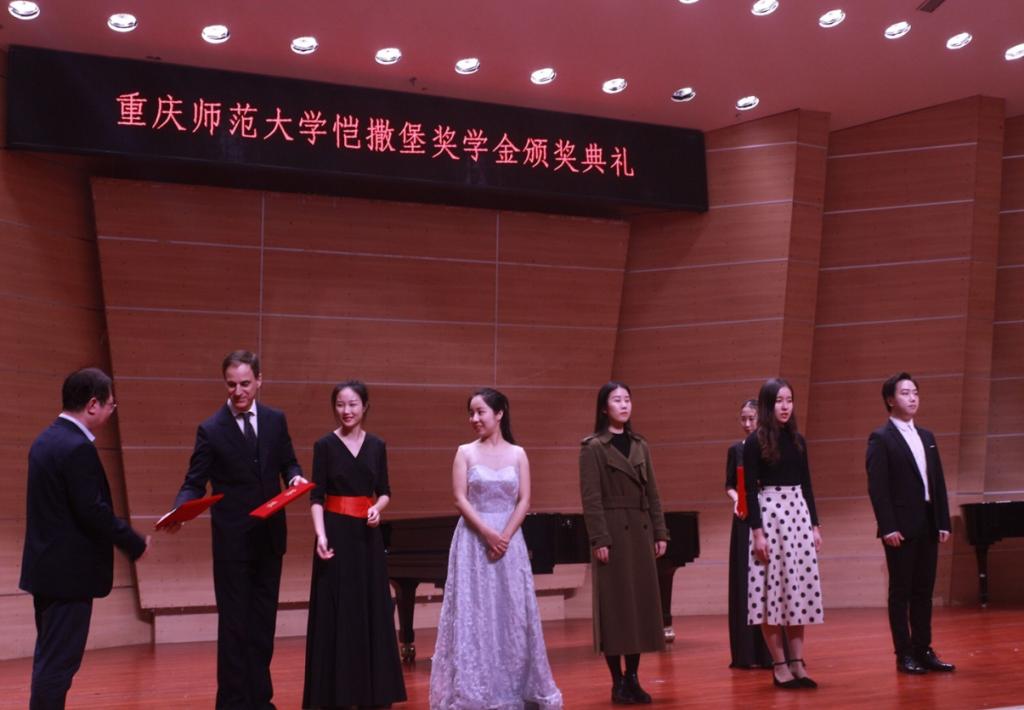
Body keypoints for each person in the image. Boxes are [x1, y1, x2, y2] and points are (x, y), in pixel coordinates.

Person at [166, 350, 306, 709]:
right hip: (233, 544)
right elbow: (194, 482)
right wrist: (180, 508)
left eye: (245, 383)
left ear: (259, 380)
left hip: (269, 540)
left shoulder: (275, 420)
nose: (238, 391)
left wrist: (294, 477)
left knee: (262, 626)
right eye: (231, 385)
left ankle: (260, 701)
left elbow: (289, 462)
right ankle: (231, 703)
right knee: (234, 627)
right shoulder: (211, 429)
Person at [20, 367, 149, 709]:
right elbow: (93, 511)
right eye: (111, 405)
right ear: (93, 404)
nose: (111, 411)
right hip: (68, 578)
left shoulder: (45, 440)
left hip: (47, 572)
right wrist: (133, 542)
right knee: (58, 665)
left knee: (50, 659)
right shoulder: (76, 448)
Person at [429, 388, 562, 709]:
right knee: (475, 613)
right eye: (471, 413)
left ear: (499, 413)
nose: (474, 418)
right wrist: (489, 534)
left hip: (510, 540)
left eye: (480, 412)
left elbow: (525, 500)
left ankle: (515, 688)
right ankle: (474, 691)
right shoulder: (465, 452)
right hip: (473, 539)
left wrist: (504, 535)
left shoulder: (518, 454)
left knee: (511, 613)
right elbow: (460, 498)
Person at [302, 381, 407, 708]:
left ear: (365, 407)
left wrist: (378, 508)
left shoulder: (377, 445)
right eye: (340, 405)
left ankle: (372, 692)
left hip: (367, 537)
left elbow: (385, 491)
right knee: (337, 611)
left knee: (370, 609)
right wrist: (320, 534)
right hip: (335, 534)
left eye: (352, 404)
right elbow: (316, 498)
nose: (346, 411)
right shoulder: (324, 445)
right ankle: (335, 693)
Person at [579, 381, 669, 705]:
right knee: (616, 609)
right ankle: (617, 681)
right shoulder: (592, 448)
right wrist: (599, 538)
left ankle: (633, 677)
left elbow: (653, 493)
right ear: (604, 408)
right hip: (613, 534)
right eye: (617, 400)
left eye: (627, 399)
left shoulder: (640, 444)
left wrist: (660, 532)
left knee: (638, 608)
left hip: (640, 533)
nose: (624, 405)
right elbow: (591, 499)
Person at [866, 372, 954, 675]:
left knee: (923, 591)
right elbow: (878, 488)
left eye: (915, 392)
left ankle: (923, 649)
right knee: (900, 592)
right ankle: (904, 654)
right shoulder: (881, 438)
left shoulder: (927, 437)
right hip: (900, 528)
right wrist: (888, 526)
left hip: (928, 523)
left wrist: (943, 520)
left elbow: (937, 482)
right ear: (890, 400)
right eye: (905, 393)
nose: (912, 398)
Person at [743, 378, 822, 690]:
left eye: (789, 400)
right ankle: (779, 664)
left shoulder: (798, 440)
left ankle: (798, 662)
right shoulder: (754, 443)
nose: (785, 406)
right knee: (771, 594)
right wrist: (757, 533)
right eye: (779, 401)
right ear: (767, 404)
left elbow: (808, 485)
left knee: (798, 590)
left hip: (798, 514)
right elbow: (749, 491)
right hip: (771, 516)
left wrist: (815, 526)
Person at [725, 399, 773, 669]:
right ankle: (746, 654)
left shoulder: (770, 447)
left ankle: (771, 653)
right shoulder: (736, 450)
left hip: (768, 516)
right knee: (745, 581)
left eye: (751, 418)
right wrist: (736, 498)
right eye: (743, 419)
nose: (747, 424)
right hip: (744, 518)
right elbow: (730, 484)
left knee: (768, 580)